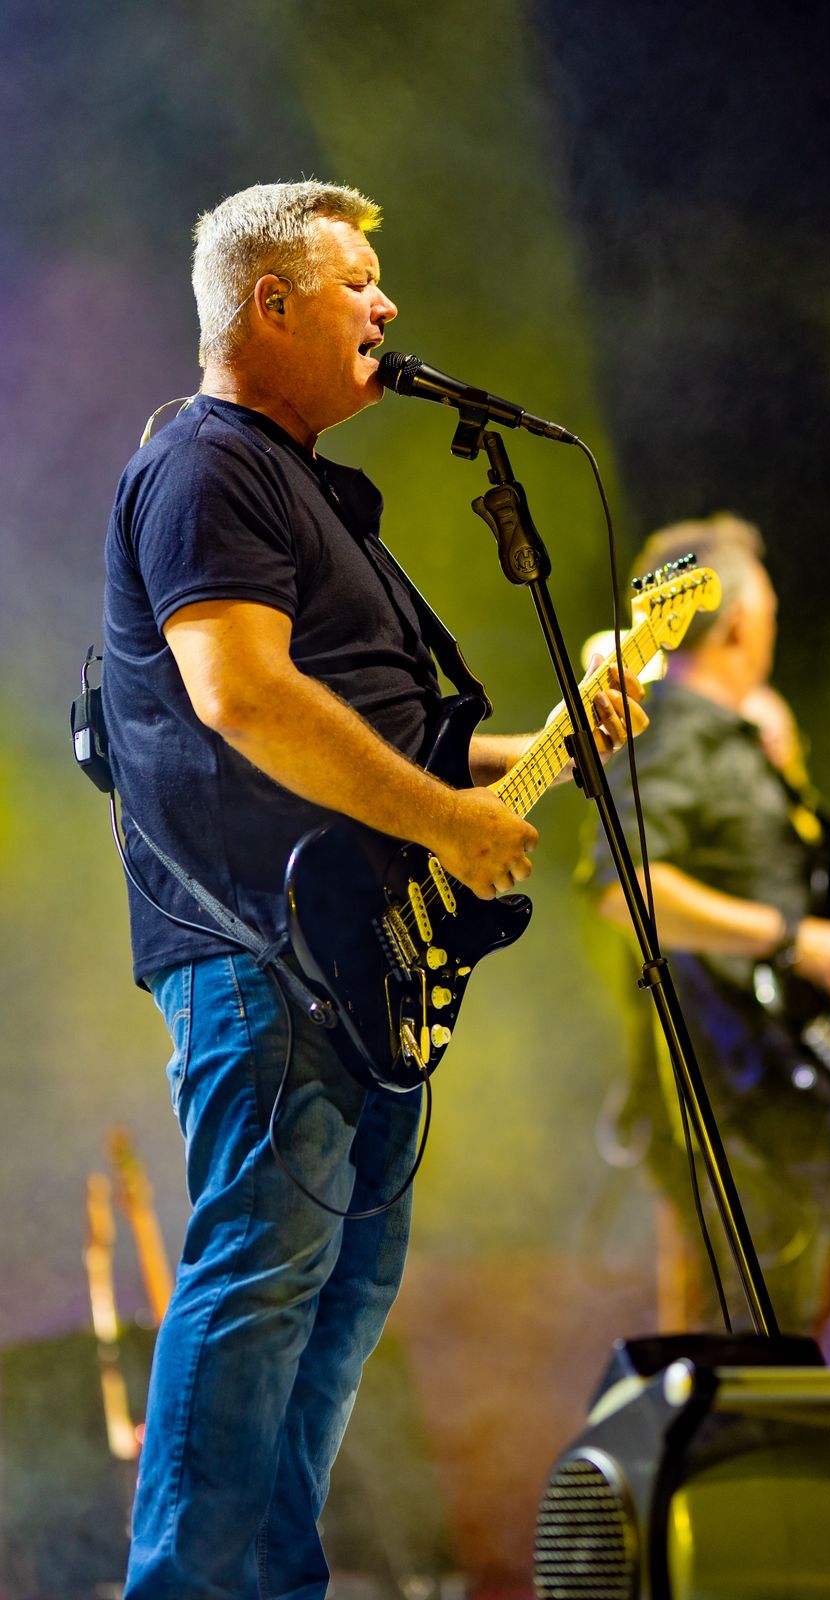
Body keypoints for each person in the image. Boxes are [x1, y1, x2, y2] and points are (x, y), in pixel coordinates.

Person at [102, 180, 646, 1600]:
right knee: (259, 1280)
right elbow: (241, 694)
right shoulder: (206, 465)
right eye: (356, 280)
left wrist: (537, 752)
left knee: (335, 1303)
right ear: (270, 302)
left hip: (360, 957)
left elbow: (390, 733)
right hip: (262, 947)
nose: (388, 305)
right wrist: (449, 822)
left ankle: (274, 1584)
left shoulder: (317, 495)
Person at [586, 512, 830, 1365]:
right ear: (736, 624)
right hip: (764, 1076)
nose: (773, 628)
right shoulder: (677, 733)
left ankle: (813, 1437)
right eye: (766, 611)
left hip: (783, 1067)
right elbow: (624, 888)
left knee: (772, 1336)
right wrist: (788, 940)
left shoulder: (735, 741)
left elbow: (802, 882)